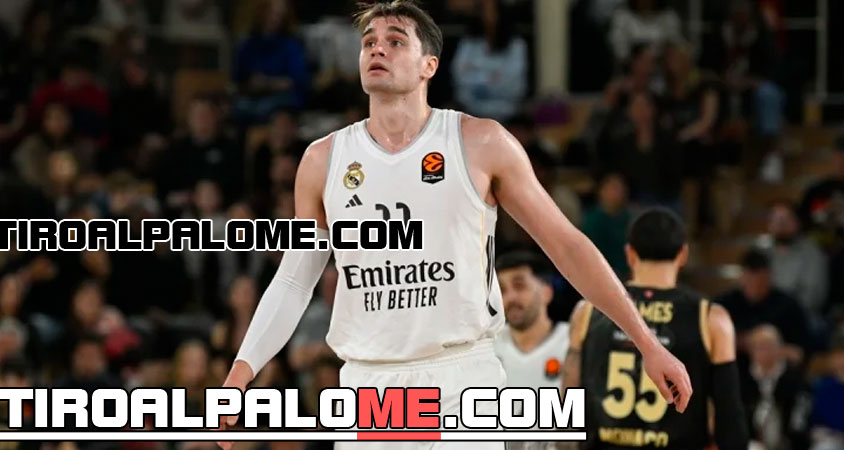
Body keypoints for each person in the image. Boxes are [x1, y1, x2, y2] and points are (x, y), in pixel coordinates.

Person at [221, 3, 692, 450]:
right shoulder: (322, 160)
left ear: (429, 65)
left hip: (461, 377)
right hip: (367, 383)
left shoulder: (480, 142)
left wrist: (647, 343)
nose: (377, 48)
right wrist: (242, 372)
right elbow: (294, 279)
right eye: (368, 42)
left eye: (395, 40)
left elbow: (567, 246)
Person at [562, 208, 748, 450]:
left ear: (630, 254)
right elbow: (729, 419)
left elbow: (568, 402)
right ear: (683, 255)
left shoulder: (586, 311)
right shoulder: (711, 317)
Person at [493, 251, 569, 450]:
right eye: (502, 290)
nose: (510, 297)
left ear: (547, 292)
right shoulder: (486, 346)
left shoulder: (573, 343)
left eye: (519, 286)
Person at [716, 248, 811, 365]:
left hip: (778, 370)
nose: (755, 286)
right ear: (742, 277)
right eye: (750, 280)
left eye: (761, 281)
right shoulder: (724, 305)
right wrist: (745, 341)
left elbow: (800, 353)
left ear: (769, 277)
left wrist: (771, 348)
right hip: (737, 368)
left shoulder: (788, 306)